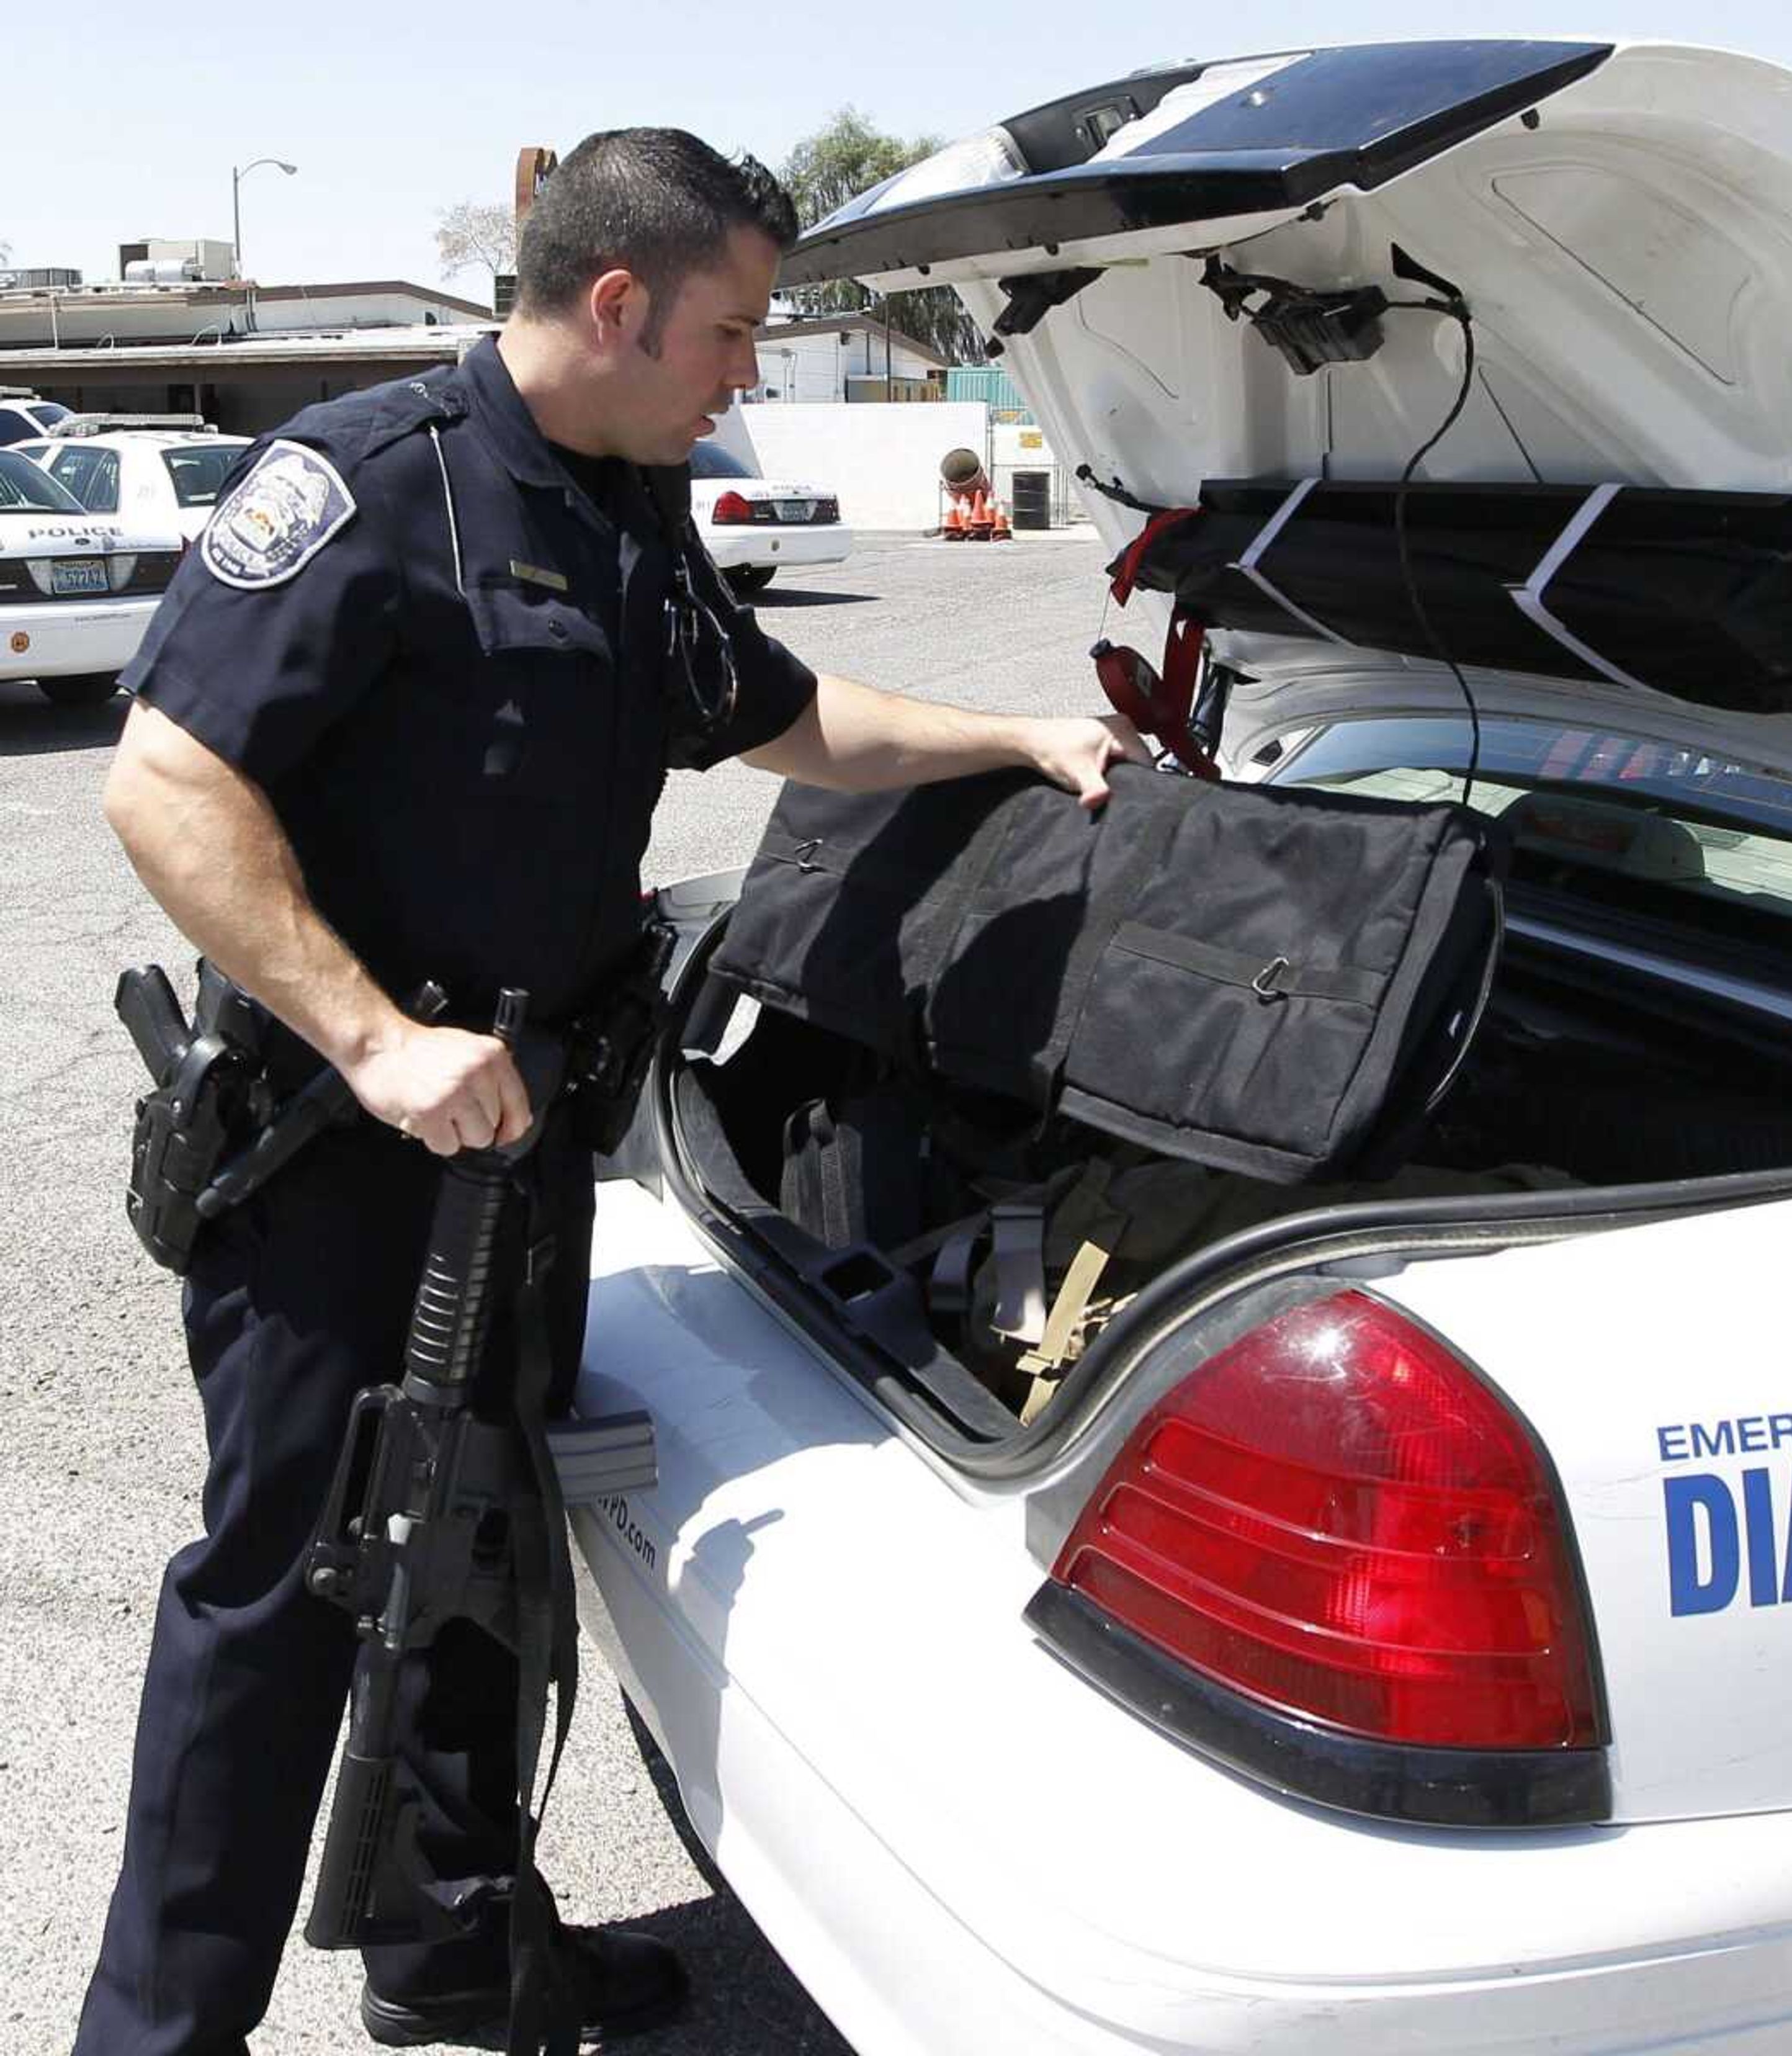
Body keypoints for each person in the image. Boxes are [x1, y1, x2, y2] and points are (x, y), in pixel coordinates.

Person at [79, 128, 1145, 2055]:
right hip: (348, 1152)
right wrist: (376, 1038)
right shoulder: (369, 482)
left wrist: (1012, 731)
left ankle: (454, 1946)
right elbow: (165, 778)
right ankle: (151, 2037)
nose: (750, 369)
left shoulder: (632, 499)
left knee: (481, 1539)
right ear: (618, 303)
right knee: (281, 1597)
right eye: (733, 331)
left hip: (529, 1142)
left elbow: (780, 712)